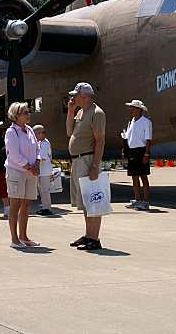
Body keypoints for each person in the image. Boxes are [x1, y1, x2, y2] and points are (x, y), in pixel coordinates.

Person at [66, 82, 106, 251]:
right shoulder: (80, 112)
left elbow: (100, 141)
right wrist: (71, 111)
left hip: (88, 159)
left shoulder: (97, 113)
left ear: (84, 97)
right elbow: (69, 132)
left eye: (75, 95)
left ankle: (94, 238)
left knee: (93, 201)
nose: (73, 98)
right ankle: (89, 235)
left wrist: (95, 166)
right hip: (78, 160)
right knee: (85, 201)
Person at [4, 102, 40, 248]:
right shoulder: (11, 132)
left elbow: (37, 148)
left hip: (31, 172)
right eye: (25, 112)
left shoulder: (30, 130)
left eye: (28, 111)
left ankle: (23, 237)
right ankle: (14, 240)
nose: (28, 114)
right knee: (15, 204)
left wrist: (37, 163)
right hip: (17, 171)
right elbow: (14, 154)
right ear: (16, 115)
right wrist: (29, 167)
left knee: (26, 203)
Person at [121, 99, 152, 210]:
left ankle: (146, 202)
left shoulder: (146, 122)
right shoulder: (131, 122)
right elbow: (128, 137)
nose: (131, 110)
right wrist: (125, 149)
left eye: (133, 108)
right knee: (134, 177)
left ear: (139, 109)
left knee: (143, 176)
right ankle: (137, 200)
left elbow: (148, 139)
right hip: (132, 152)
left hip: (141, 151)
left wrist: (146, 154)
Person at [33, 124, 55, 216]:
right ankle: (45, 207)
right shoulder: (40, 143)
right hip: (42, 171)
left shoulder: (45, 144)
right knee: (42, 190)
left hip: (44, 171)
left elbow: (42, 157)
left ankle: (47, 208)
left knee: (44, 191)